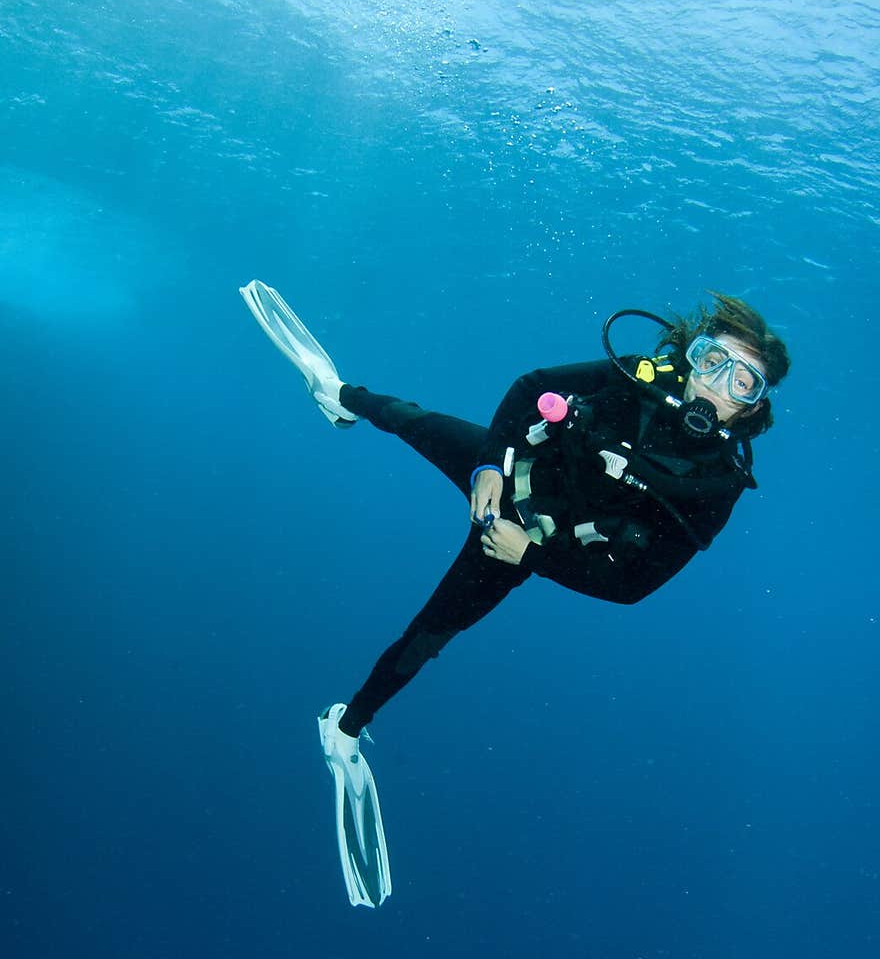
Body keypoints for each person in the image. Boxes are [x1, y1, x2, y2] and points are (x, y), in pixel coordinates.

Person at [240, 280, 791, 909]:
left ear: (753, 408)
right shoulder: (635, 378)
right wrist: (488, 470)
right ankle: (337, 393)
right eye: (711, 360)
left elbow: (632, 587)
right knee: (409, 420)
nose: (716, 384)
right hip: (509, 479)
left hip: (528, 538)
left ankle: (346, 728)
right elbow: (532, 386)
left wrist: (528, 552)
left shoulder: (717, 485)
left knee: (430, 634)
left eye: (742, 380)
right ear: (689, 356)